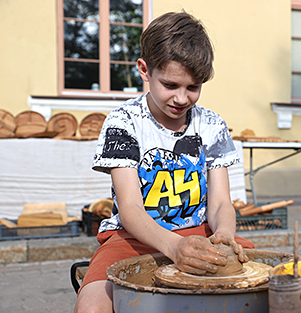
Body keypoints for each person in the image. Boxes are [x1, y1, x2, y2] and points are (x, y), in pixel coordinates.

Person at [74, 11, 254, 313]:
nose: (182, 98)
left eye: (193, 87)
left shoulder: (211, 125)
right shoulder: (124, 122)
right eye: (170, 85)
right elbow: (130, 209)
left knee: (272, 284)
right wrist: (173, 246)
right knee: (92, 307)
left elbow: (222, 203)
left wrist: (223, 234)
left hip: (200, 235)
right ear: (145, 70)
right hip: (134, 237)